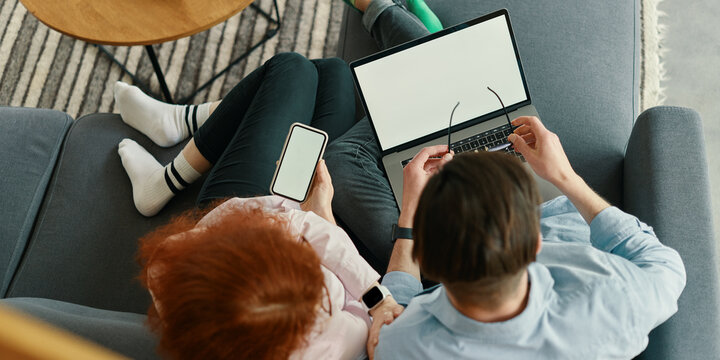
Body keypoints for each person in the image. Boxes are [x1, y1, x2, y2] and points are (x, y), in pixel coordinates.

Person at [328, 1, 687, 359]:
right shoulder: (614, 302)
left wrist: (409, 215)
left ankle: (411, 33)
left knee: (344, 158)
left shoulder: (405, 342)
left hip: (469, 236)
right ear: (535, 245)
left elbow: (395, 308)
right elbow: (666, 268)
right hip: (527, 218)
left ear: (428, 264)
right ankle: (411, 31)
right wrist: (564, 177)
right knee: (451, 111)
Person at [116, 53, 403, 359]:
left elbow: (282, 223)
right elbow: (302, 228)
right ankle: (188, 120)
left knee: (291, 68)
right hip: (305, 215)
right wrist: (322, 215)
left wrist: (289, 216)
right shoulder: (341, 338)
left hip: (241, 204)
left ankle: (166, 176)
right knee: (334, 72)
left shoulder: (178, 276)